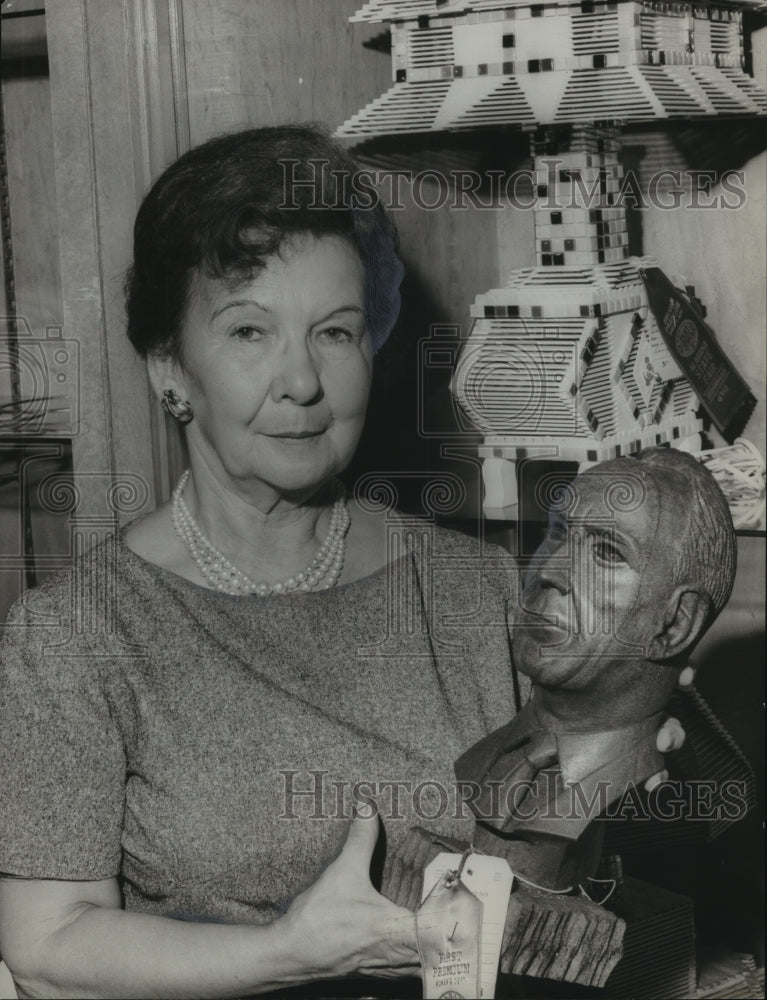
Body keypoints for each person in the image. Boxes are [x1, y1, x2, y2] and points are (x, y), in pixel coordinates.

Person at [0, 125, 682, 1000]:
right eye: (249, 332)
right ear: (170, 367)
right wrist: (290, 951)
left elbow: (543, 892)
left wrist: (603, 768)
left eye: (334, 332)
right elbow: (49, 951)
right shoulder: (76, 635)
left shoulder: (478, 589)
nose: (301, 382)